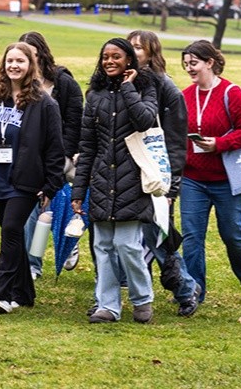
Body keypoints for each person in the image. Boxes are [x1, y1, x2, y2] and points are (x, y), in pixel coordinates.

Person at [0, 42, 65, 313]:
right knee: (14, 235)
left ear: (31, 65)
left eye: (20, 61)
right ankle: (24, 292)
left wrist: (51, 186)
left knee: (10, 230)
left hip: (26, 181)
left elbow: (55, 148)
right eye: (10, 61)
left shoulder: (45, 104)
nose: (14, 66)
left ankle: (3, 294)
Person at [72, 38, 158, 323]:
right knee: (103, 246)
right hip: (101, 179)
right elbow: (87, 147)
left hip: (132, 178)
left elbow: (145, 120)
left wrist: (128, 87)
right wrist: (78, 191)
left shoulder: (145, 88)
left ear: (129, 60)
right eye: (105, 57)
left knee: (127, 245)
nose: (109, 61)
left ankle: (142, 298)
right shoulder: (94, 95)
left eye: (116, 56)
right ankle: (108, 305)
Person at [179, 39, 241, 302]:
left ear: (210, 63)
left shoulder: (232, 93)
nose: (189, 69)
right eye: (185, 64)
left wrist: (219, 144)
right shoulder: (185, 96)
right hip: (193, 178)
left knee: (232, 233)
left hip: (228, 179)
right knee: (192, 237)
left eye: (194, 63)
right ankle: (193, 291)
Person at [127, 29, 200, 317]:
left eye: (138, 47)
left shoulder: (165, 88)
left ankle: (185, 288)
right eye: (130, 46)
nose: (133, 51)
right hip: (126, 168)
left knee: (156, 234)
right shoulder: (123, 82)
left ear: (151, 53)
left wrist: (172, 186)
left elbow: (176, 140)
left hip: (156, 172)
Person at [17, 31, 83, 278]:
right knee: (34, 211)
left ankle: (67, 242)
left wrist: (65, 154)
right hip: (30, 157)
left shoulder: (64, 83)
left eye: (32, 54)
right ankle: (33, 264)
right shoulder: (19, 83)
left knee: (52, 207)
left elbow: (75, 122)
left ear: (42, 54)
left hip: (60, 157)